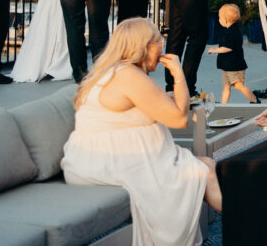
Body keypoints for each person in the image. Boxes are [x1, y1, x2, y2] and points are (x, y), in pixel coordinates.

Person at [62, 18, 221, 245]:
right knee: (202, 169)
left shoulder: (115, 71)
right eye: (157, 40)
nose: (162, 45)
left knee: (206, 166)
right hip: (108, 161)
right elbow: (178, 119)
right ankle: (250, 219)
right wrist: (178, 74)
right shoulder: (128, 75)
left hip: (98, 157)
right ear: (141, 46)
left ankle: (248, 217)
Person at [207, 4, 257, 103]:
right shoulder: (229, 30)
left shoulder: (232, 32)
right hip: (227, 66)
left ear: (226, 20)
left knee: (238, 86)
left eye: (220, 18)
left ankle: (254, 100)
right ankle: (223, 105)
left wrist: (214, 50)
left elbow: (227, 48)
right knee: (226, 87)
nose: (219, 20)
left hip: (235, 67)